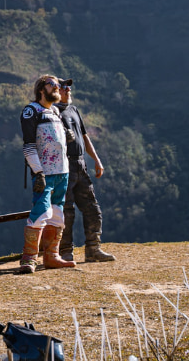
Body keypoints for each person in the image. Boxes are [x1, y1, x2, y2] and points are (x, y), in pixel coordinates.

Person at [18, 75, 77, 274]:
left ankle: (52, 256)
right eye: (53, 84)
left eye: (58, 85)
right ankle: (29, 258)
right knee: (41, 212)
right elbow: (28, 146)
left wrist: (66, 135)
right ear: (41, 89)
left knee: (58, 214)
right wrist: (39, 172)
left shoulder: (54, 111)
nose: (58, 88)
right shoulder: (31, 110)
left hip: (62, 171)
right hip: (45, 172)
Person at [56, 78, 116, 263]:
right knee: (67, 211)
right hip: (63, 166)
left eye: (69, 87)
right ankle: (66, 252)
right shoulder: (52, 111)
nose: (68, 90)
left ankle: (93, 249)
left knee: (92, 208)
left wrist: (96, 160)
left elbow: (84, 137)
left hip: (81, 165)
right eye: (64, 87)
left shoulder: (73, 110)